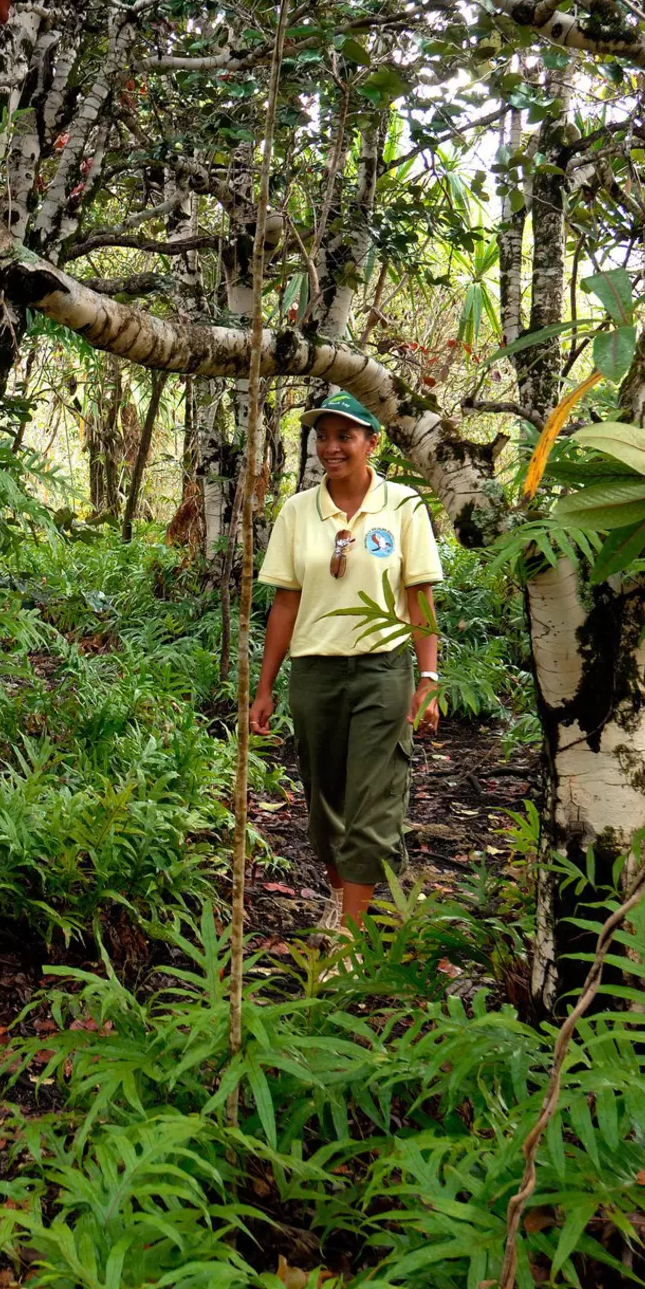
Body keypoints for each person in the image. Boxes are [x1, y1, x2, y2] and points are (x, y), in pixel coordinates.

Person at [247, 391, 443, 934]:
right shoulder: (297, 510)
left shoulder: (403, 506)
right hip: (315, 674)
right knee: (324, 798)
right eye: (322, 437)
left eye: (344, 436)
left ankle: (349, 934)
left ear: (371, 442)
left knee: (373, 800)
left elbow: (419, 596)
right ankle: (341, 897)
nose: (330, 448)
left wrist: (427, 678)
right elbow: (285, 603)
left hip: (382, 672)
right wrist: (264, 689)